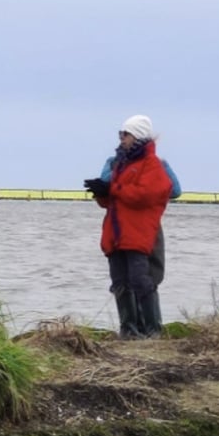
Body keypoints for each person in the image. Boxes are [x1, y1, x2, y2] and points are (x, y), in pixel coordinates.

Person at [84, 115, 173, 338]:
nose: (122, 139)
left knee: (141, 281)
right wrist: (102, 192)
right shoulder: (120, 163)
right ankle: (129, 330)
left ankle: (153, 330)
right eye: (121, 134)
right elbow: (113, 201)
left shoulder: (152, 164)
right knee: (120, 282)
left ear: (138, 136)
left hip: (137, 234)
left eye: (126, 134)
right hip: (116, 233)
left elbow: (146, 195)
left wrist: (113, 189)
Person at [98, 147, 182, 329]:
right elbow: (103, 189)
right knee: (127, 277)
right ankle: (136, 328)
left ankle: (145, 328)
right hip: (123, 227)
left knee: (145, 277)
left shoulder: (155, 164)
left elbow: (174, 190)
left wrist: (138, 189)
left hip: (143, 226)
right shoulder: (114, 163)